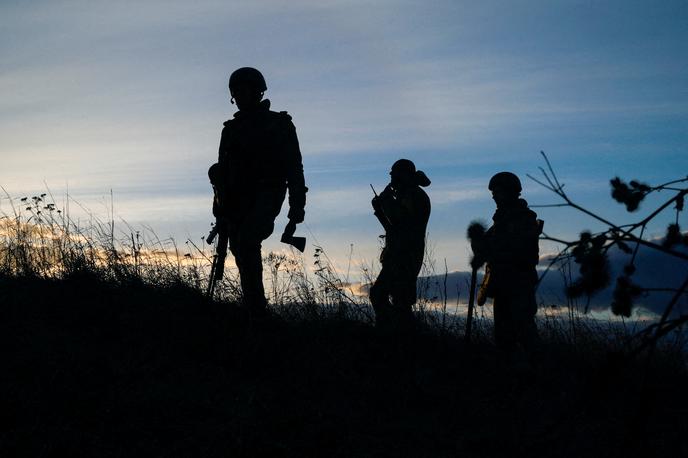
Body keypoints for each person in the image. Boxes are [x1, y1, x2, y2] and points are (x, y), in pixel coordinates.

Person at [211, 67, 307, 314]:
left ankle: (256, 310)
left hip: (267, 194)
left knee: (247, 241)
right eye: (237, 91)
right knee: (240, 249)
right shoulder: (230, 130)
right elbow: (222, 172)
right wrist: (219, 209)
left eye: (246, 90)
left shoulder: (280, 124)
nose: (242, 95)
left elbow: (294, 168)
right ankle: (253, 306)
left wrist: (297, 208)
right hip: (235, 199)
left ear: (258, 91)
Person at [473, 172, 541, 353]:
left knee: (524, 333)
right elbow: (487, 247)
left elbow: (513, 250)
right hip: (503, 285)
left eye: (497, 191)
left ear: (510, 192)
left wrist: (487, 247)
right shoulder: (503, 220)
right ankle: (510, 374)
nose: (493, 195)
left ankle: (536, 373)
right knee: (504, 338)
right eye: (493, 192)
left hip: (517, 285)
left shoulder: (522, 219)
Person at [370, 159, 431, 329]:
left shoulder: (414, 195)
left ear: (403, 175)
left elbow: (400, 222)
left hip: (405, 257)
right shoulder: (407, 195)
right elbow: (393, 229)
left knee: (391, 299)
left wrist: (385, 201)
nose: (391, 177)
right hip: (398, 255)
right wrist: (380, 210)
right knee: (395, 300)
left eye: (394, 174)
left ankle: (395, 333)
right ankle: (395, 331)